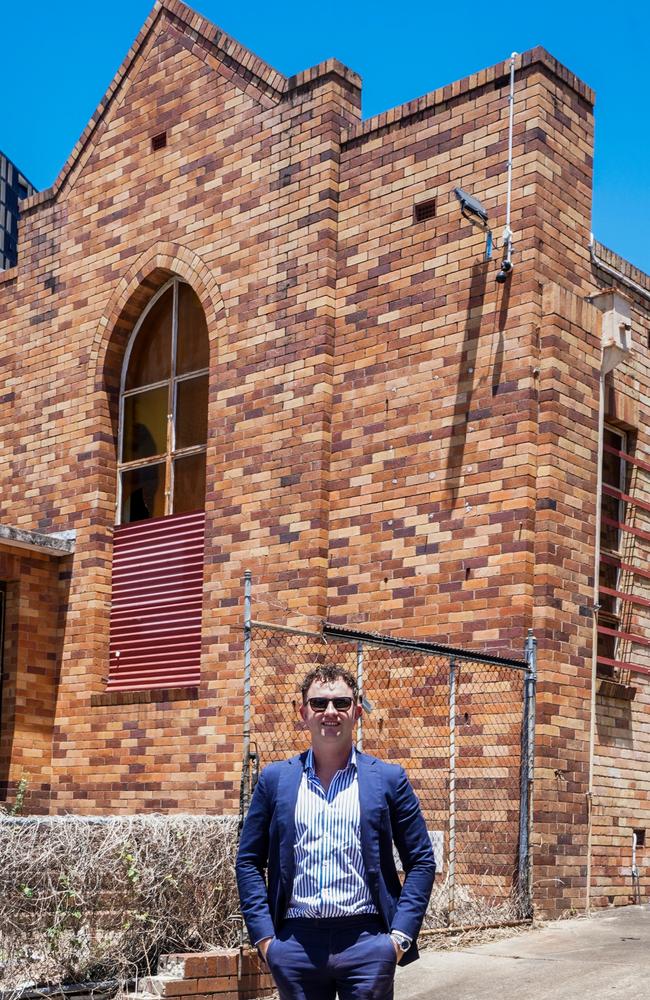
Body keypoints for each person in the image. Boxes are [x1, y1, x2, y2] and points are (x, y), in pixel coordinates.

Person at [236, 665, 435, 1000]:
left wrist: (399, 939)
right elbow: (248, 861)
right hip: (295, 944)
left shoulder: (388, 779)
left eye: (341, 703)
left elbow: (422, 861)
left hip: (367, 941)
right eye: (319, 704)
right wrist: (266, 941)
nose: (330, 712)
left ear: (356, 711)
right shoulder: (275, 780)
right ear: (303, 713)